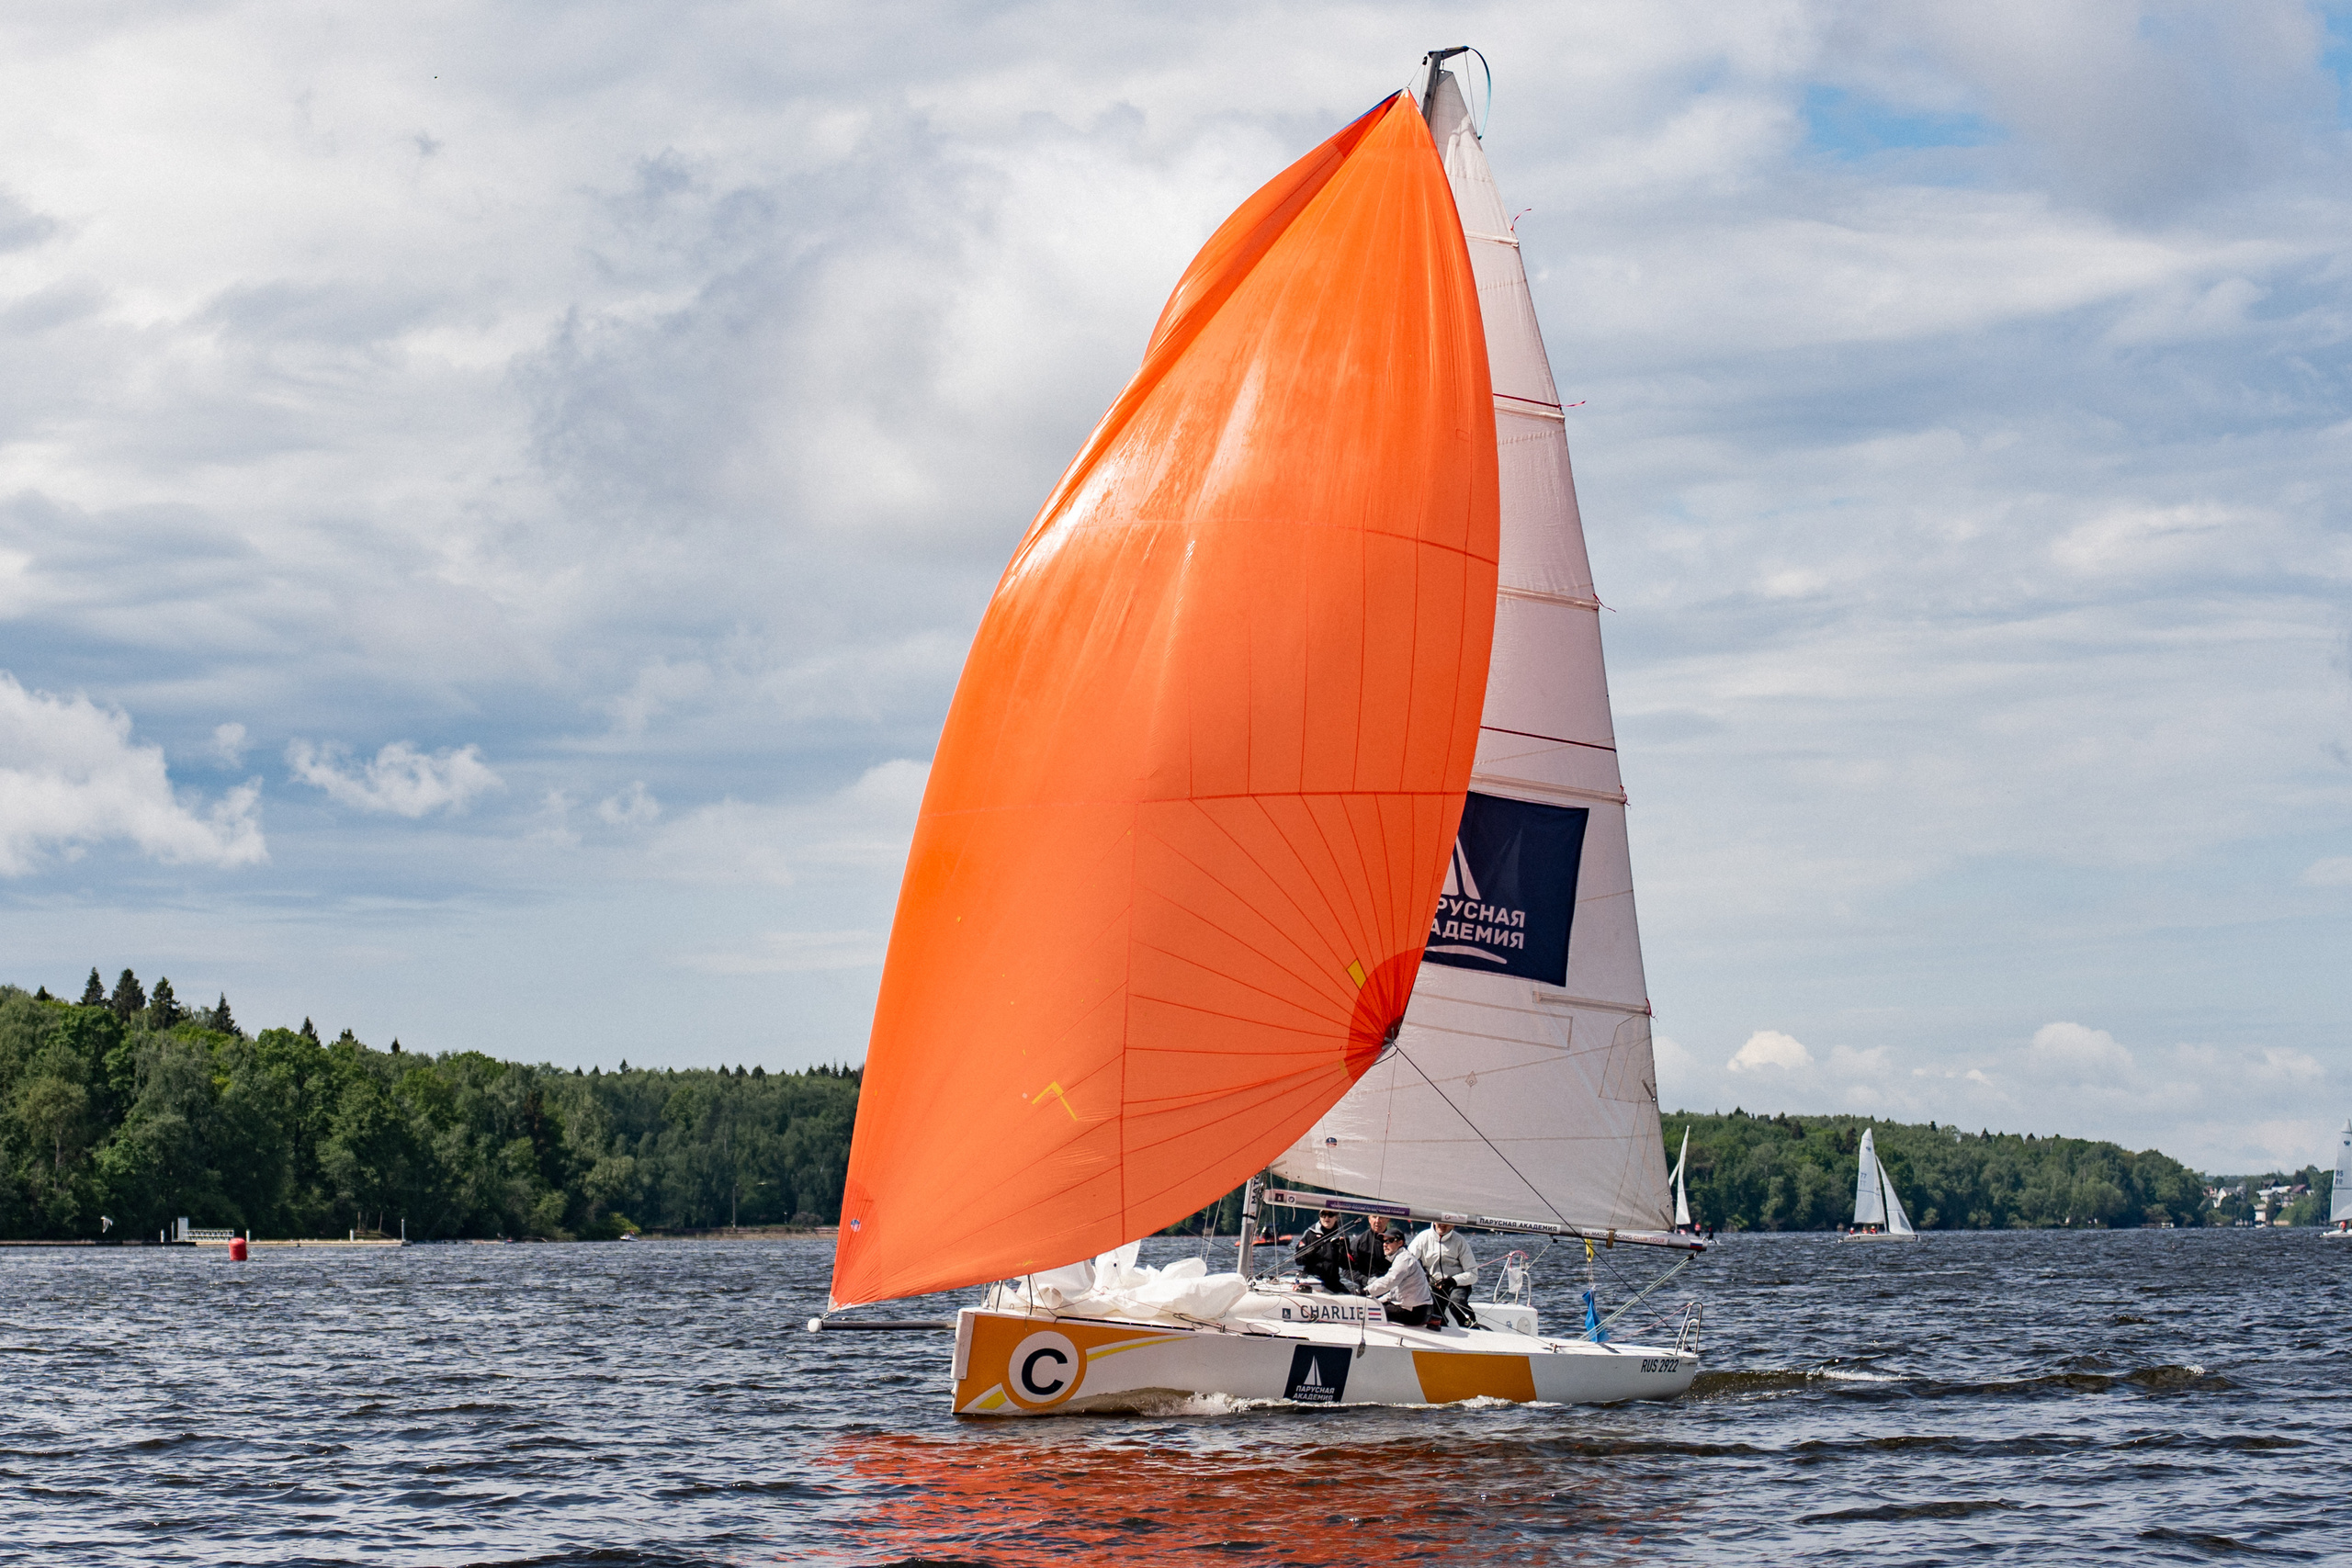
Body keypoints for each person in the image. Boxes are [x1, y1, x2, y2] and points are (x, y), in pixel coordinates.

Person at [1410, 1220, 1478, 1327]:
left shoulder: (1459, 1241)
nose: (1443, 1224)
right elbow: (1408, 1262)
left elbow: (1473, 1274)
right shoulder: (1422, 1238)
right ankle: (1444, 1331)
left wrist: (1453, 1281)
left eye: (1447, 1222)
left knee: (1456, 1303)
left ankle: (1472, 1328)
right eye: (1439, 1221)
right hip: (1433, 1285)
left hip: (1456, 1285)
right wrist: (1421, 1274)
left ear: (1454, 1224)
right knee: (1431, 1307)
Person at [1364, 1229, 1434, 1326]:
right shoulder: (1402, 1258)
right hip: (1417, 1310)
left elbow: (1389, 1281)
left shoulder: (1404, 1259)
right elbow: (1394, 1291)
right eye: (1384, 1241)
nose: (1385, 1244)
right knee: (1374, 1305)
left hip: (1414, 1313)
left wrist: (1365, 1291)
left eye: (1389, 1241)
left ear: (1400, 1243)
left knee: (1369, 1310)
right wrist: (1373, 1299)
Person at [1292, 1211, 1351, 1292]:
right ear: (1319, 1216)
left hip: (1332, 1282)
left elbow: (1347, 1266)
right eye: (1323, 1215)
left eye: (1330, 1214)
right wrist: (1311, 1250)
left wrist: (1343, 1251)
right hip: (1311, 1280)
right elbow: (1298, 1260)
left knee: (1348, 1295)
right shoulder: (1310, 1234)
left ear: (1336, 1217)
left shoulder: (1342, 1236)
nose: (1326, 1218)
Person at [1341, 1213, 1392, 1289]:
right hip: (1366, 1288)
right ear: (1369, 1219)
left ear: (1388, 1219)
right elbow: (1347, 1270)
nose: (1377, 1221)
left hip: (1391, 1287)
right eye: (1374, 1217)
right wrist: (1366, 1280)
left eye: (1381, 1217)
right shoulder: (1357, 1243)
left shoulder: (1396, 1242)